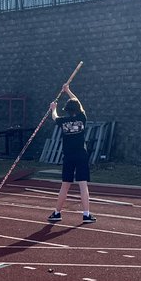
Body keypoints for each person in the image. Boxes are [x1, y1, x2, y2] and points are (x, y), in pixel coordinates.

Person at [47, 84, 95, 224]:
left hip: (68, 156)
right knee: (83, 185)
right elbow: (78, 103)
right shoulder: (82, 118)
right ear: (78, 110)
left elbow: (54, 117)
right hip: (81, 155)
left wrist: (53, 109)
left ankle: (57, 213)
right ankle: (86, 215)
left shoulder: (63, 121)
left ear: (67, 111)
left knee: (65, 185)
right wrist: (68, 91)